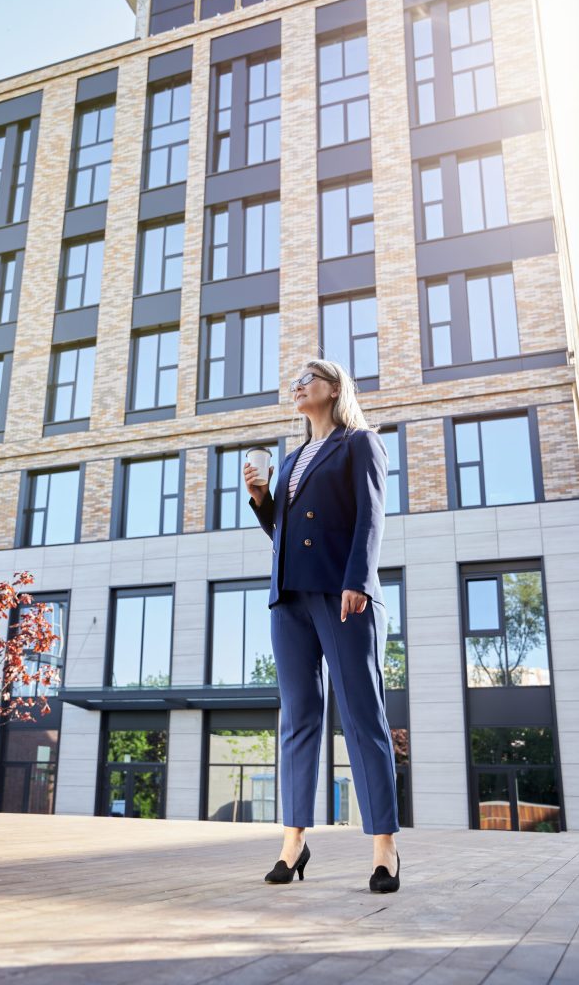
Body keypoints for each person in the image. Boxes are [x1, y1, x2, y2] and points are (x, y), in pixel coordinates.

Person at [243, 357, 400, 892]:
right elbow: (283, 534)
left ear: (334, 389)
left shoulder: (359, 443)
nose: (297, 386)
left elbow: (371, 515)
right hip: (288, 599)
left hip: (343, 594)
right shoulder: (288, 460)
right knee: (298, 721)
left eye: (307, 379)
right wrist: (263, 500)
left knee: (362, 716)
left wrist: (358, 579)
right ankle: (294, 842)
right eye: (293, 381)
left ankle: (383, 847)